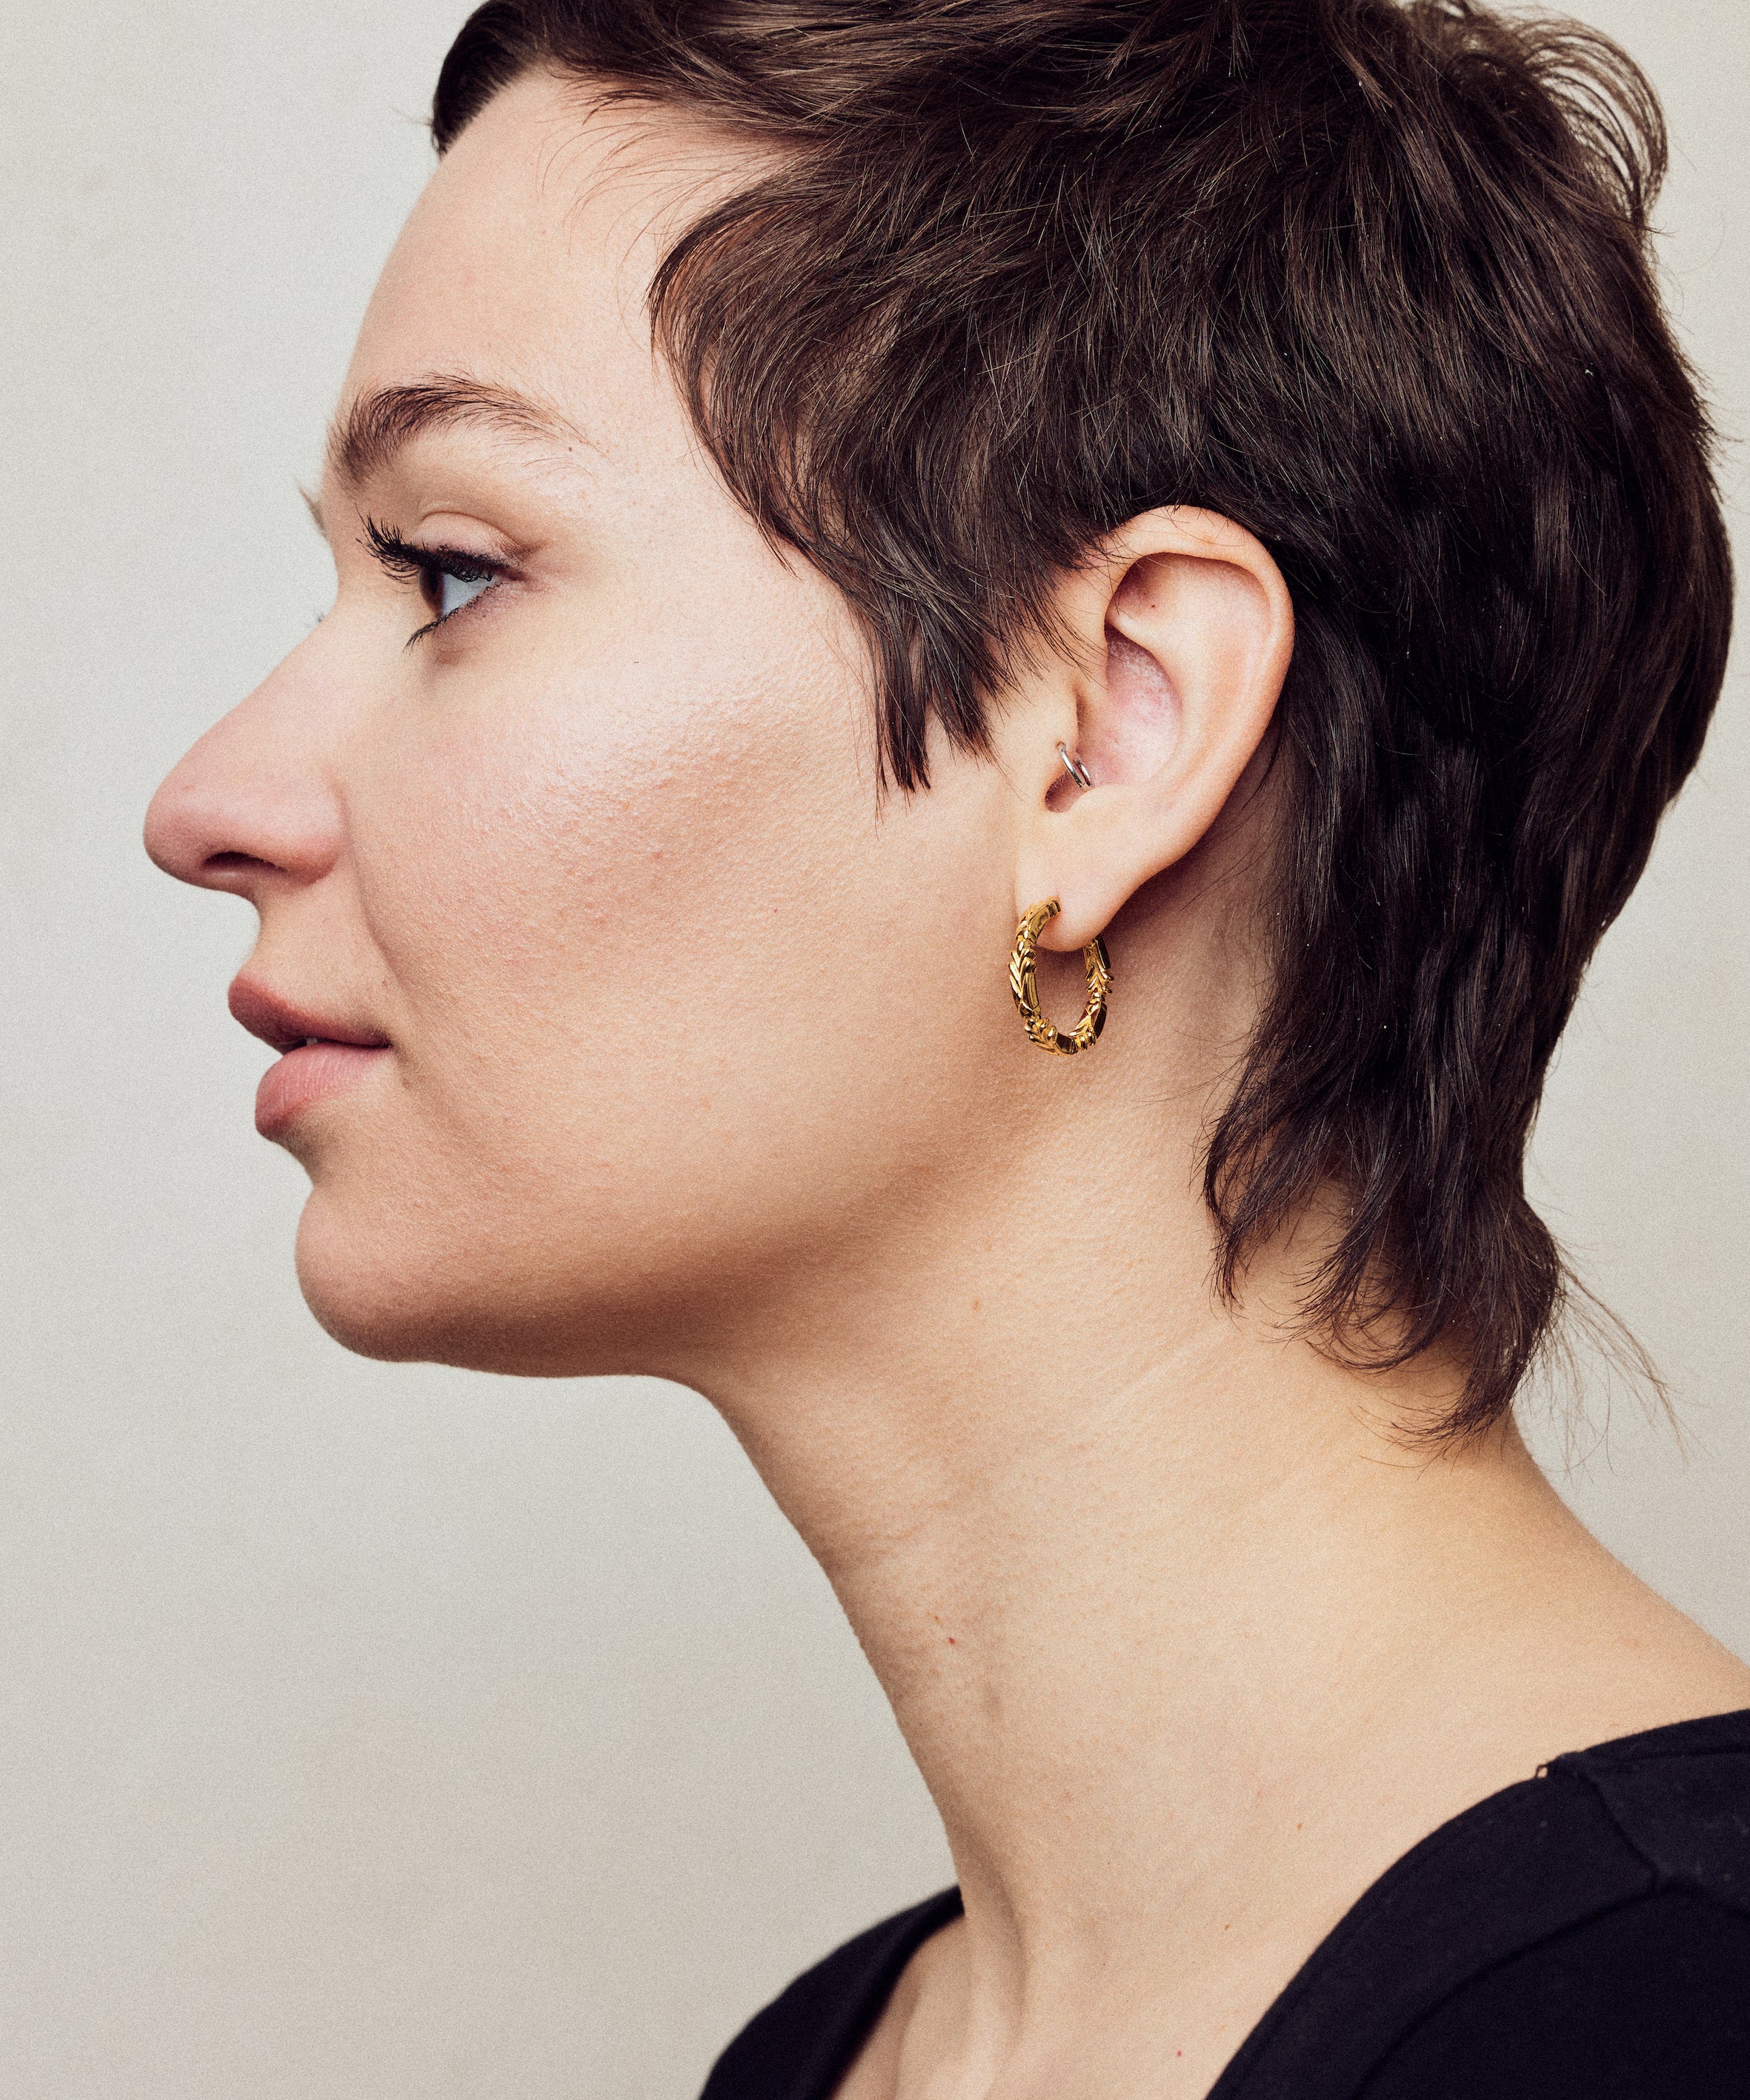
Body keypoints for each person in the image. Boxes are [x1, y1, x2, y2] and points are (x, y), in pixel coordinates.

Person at [144, 1, 1749, 2093]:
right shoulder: (830, 2057)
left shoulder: (1665, 2031)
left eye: (452, 572)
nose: (209, 798)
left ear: (1102, 735)